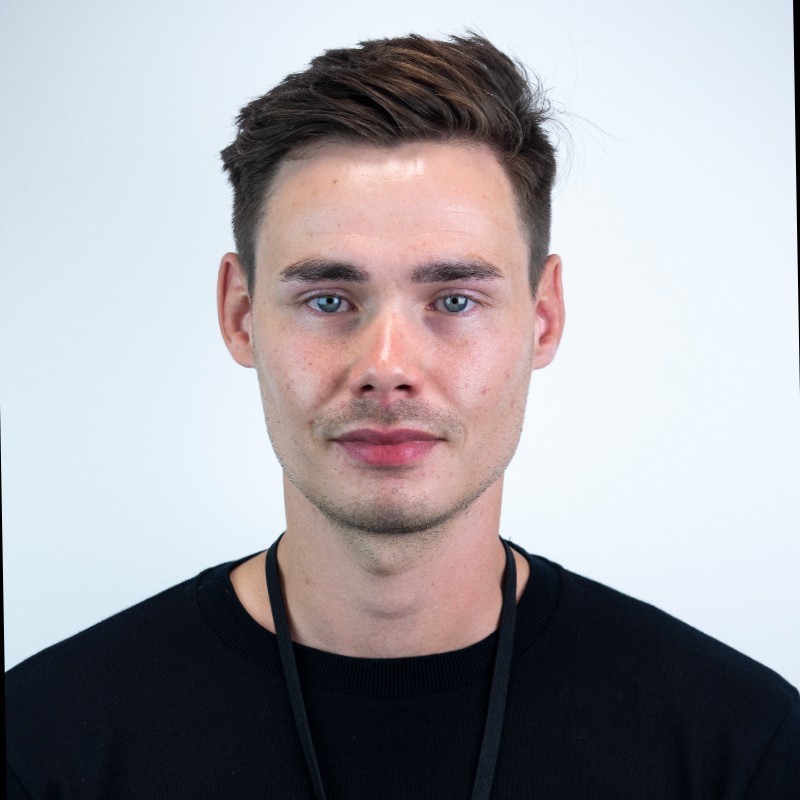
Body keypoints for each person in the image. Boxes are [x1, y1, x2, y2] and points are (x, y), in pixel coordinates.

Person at [6, 32, 798, 799]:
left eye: (454, 300)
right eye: (328, 299)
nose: (386, 366)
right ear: (241, 316)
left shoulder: (741, 747)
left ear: (543, 317)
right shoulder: (40, 746)